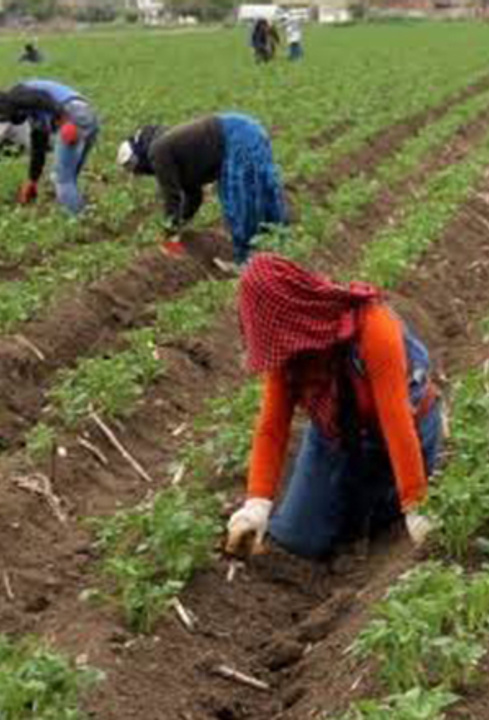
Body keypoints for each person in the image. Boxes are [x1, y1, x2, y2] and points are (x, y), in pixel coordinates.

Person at [224, 254, 442, 560]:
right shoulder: (287, 349)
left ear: (293, 314)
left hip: (404, 427)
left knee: (381, 517)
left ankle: (384, 501)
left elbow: (397, 422)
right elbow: (272, 427)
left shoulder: (373, 327)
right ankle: (354, 502)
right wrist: (256, 504)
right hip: (337, 434)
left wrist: (415, 503)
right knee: (299, 540)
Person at [117, 114, 288, 267]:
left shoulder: (158, 151)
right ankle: (277, 246)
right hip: (245, 129)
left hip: (235, 137)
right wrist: (181, 222)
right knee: (261, 190)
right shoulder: (172, 150)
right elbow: (194, 196)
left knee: (239, 199)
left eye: (133, 166)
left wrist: (170, 233)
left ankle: (246, 261)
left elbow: (171, 196)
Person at [0, 79, 99, 215]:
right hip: (86, 114)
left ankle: (80, 219)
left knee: (61, 179)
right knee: (69, 178)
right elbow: (38, 147)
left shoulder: (16, 95)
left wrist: (65, 120)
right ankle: (84, 213)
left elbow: (41, 98)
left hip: (72, 114)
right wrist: (32, 180)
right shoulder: (35, 114)